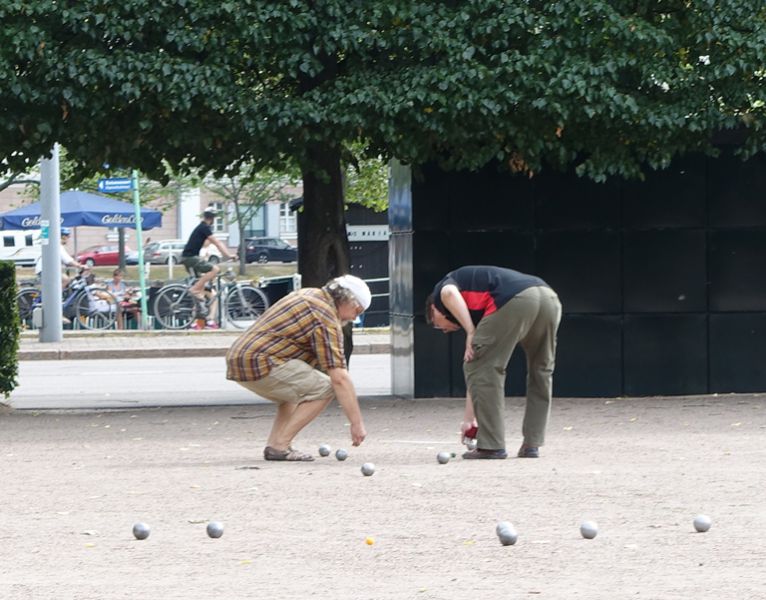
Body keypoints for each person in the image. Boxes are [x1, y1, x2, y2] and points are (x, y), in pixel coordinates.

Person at [226, 275, 372, 461]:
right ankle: (280, 445)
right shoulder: (325, 317)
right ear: (347, 300)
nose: (354, 318)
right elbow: (339, 377)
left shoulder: (310, 294)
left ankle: (275, 445)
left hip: (242, 356)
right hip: (261, 360)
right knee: (325, 387)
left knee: (298, 390)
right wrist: (356, 423)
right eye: (357, 311)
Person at [426, 265, 562, 460]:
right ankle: (532, 444)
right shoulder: (480, 305)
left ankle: (492, 445)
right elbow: (476, 374)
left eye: (438, 325)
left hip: (516, 299)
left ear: (433, 310)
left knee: (483, 367)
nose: (444, 329)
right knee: (541, 370)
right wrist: (469, 420)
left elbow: (448, 293)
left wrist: (471, 331)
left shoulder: (440, 295)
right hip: (548, 297)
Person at [180, 207, 236, 318]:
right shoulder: (205, 228)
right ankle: (195, 289)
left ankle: (200, 314)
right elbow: (218, 243)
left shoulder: (201, 228)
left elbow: (207, 243)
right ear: (213, 218)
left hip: (188, 257)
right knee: (215, 269)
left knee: (203, 286)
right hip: (190, 257)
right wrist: (228, 255)